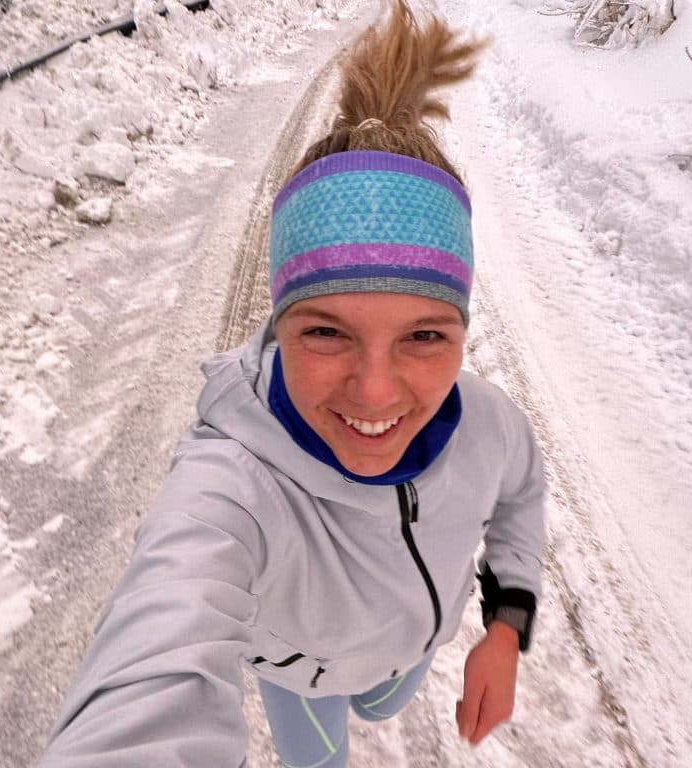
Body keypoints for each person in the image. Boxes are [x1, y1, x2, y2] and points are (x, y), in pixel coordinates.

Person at [38, 2, 545, 766]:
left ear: (463, 333)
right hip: (300, 680)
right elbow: (156, 650)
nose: (376, 394)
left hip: (406, 657)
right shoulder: (231, 482)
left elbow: (520, 496)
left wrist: (504, 627)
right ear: (278, 326)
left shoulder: (490, 423)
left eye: (425, 337)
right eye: (326, 332)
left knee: (385, 698)